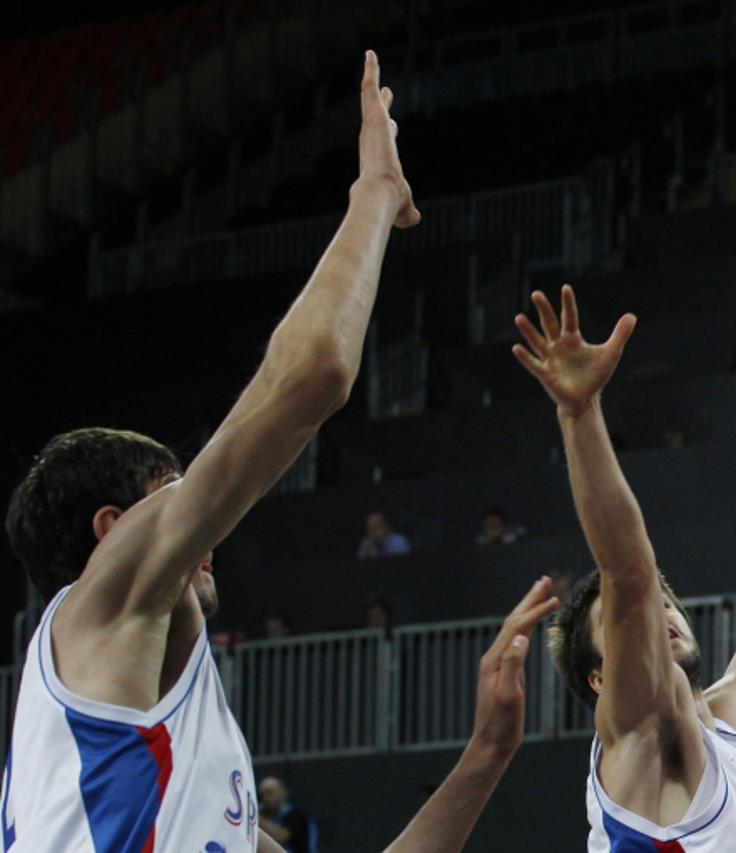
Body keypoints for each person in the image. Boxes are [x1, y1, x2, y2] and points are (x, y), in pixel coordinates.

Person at [0, 52, 555, 853]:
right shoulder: (100, 603)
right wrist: (375, 194)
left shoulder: (170, 761)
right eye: (174, 491)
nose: (207, 522)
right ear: (114, 529)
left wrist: (487, 753)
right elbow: (312, 377)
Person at [512, 285, 736, 851]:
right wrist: (580, 414)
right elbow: (629, 576)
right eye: (625, 625)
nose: (659, 614)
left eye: (669, 604)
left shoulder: (725, 723)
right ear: (600, 678)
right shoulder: (636, 737)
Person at [258, 776, 317, 853]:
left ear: (283, 792)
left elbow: (280, 836)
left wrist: (256, 818)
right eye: (263, 795)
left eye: (270, 793)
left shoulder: (297, 815)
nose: (266, 799)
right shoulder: (265, 814)